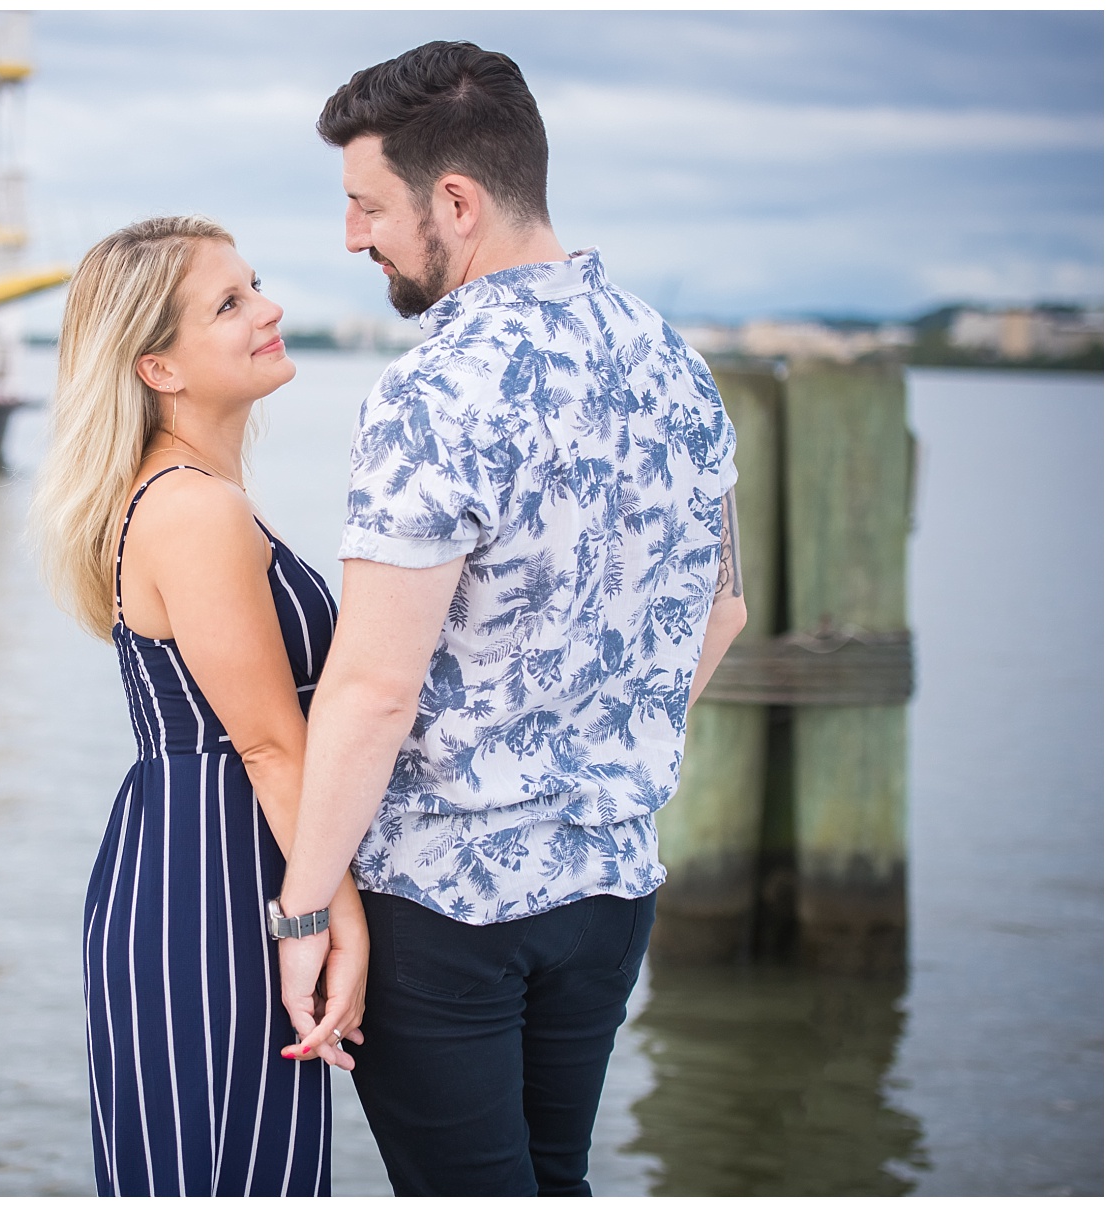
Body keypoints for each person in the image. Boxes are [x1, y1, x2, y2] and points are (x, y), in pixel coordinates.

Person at [273, 42, 749, 1195]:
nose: (353, 238)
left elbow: (374, 689)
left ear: (456, 202)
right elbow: (724, 611)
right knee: (557, 1179)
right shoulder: (675, 363)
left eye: (367, 205)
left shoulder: (436, 390)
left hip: (447, 904)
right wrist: (595, 751)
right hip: (611, 889)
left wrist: (302, 913)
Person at [30, 216, 369, 1197]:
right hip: (215, 881)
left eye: (254, 285)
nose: (269, 309)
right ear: (158, 368)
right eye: (229, 304)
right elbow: (268, 744)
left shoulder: (198, 493)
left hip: (212, 859)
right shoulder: (191, 507)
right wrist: (332, 916)